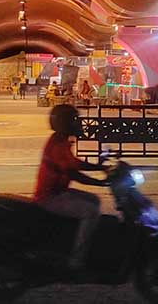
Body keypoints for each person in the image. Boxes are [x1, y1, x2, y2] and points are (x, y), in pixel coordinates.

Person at [34, 104, 109, 270]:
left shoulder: (60, 140)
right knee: (90, 211)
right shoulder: (58, 145)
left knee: (94, 200)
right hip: (50, 197)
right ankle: (77, 261)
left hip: (59, 192)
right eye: (74, 120)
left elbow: (75, 164)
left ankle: (73, 236)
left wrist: (100, 168)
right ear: (65, 123)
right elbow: (74, 173)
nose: (78, 123)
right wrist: (100, 182)